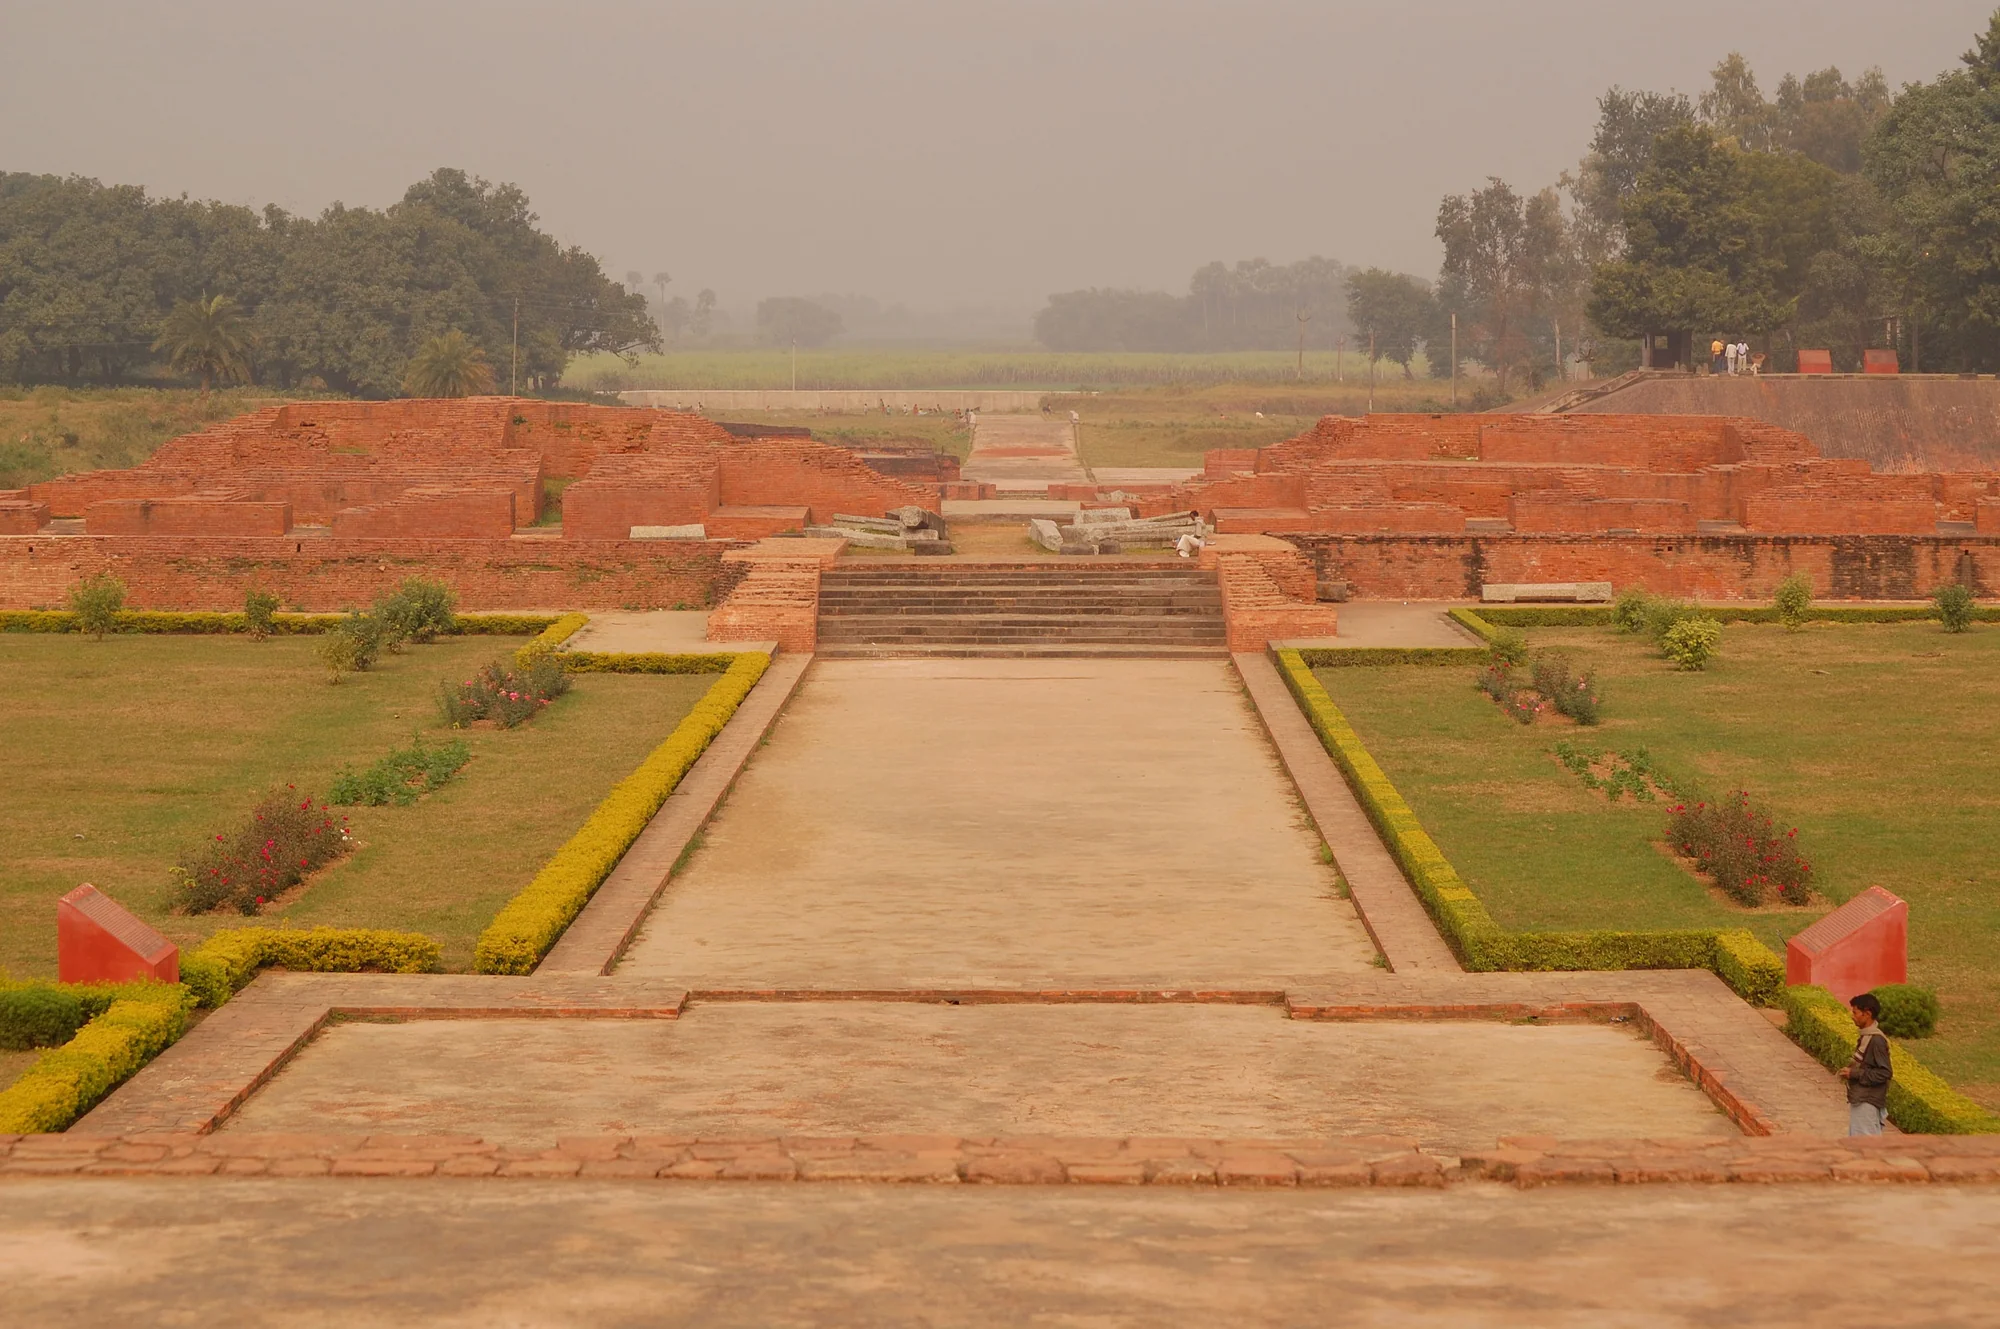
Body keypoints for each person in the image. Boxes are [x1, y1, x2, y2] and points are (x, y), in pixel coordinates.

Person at [1837, 992, 1894, 1136]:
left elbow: (1885, 1073)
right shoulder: (1866, 1037)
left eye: (1855, 1012)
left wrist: (1854, 1073)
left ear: (1867, 1014)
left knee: (1865, 1148)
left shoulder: (1876, 1041)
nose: (1852, 1016)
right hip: (1862, 1098)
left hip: (1867, 1101)